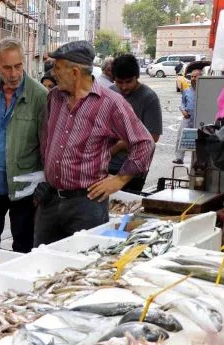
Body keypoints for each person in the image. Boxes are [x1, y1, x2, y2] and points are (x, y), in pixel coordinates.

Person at [34, 41, 154, 247]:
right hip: (50, 201)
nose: (53, 73)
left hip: (86, 204)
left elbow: (144, 142)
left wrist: (120, 179)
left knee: (83, 264)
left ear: (74, 72)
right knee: (41, 263)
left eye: (57, 68)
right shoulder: (54, 97)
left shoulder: (111, 103)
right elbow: (46, 139)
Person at [0, 39, 47, 253]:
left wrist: (41, 186)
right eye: (7, 67)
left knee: (23, 246)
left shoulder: (39, 96)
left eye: (18, 66)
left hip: (24, 186)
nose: (14, 74)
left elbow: (47, 146)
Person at [108, 54, 163, 194]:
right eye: (120, 82)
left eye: (129, 81)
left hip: (134, 167)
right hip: (106, 164)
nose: (124, 87)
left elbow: (153, 137)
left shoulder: (149, 98)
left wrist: (119, 145)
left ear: (137, 76)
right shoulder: (109, 92)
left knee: (125, 205)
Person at [174, 68, 202, 165]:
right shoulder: (186, 91)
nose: (193, 79)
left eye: (196, 77)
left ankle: (197, 160)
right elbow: (182, 103)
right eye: (192, 77)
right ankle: (179, 158)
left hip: (199, 118)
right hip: (188, 117)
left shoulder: (203, 91)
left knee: (198, 139)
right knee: (181, 136)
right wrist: (183, 111)